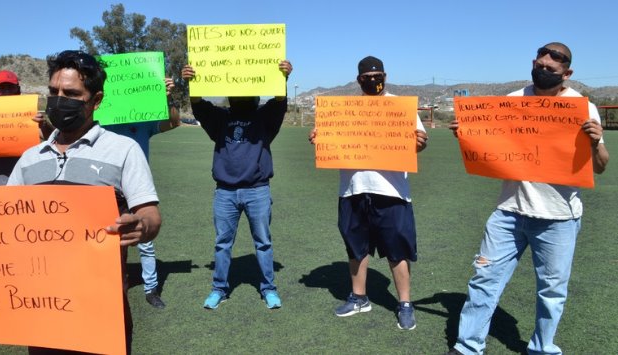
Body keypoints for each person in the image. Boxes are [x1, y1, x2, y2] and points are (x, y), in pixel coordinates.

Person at [0, 50, 162, 354]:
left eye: (71, 93)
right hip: (41, 311)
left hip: (100, 309)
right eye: (53, 92)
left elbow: (150, 214)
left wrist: (142, 225)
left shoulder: (122, 149)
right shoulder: (30, 157)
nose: (59, 99)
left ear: (96, 99)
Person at [446, 43, 609, 355]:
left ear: (568, 73)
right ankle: (468, 346)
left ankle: (542, 348)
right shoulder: (512, 101)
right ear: (533, 63)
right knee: (484, 279)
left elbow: (601, 166)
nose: (543, 71)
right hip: (508, 213)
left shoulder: (582, 107)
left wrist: (595, 143)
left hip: (559, 218)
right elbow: (490, 148)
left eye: (552, 68)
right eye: (539, 65)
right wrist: (467, 135)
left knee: (552, 291)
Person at [309, 56, 428, 330]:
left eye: (378, 75)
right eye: (367, 77)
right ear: (359, 80)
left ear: (386, 75)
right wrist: (321, 139)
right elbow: (329, 141)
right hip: (353, 188)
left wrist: (419, 143)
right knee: (355, 246)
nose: (373, 80)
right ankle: (359, 297)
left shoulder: (400, 106)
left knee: (397, 249)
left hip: (391, 190)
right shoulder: (343, 110)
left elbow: (418, 143)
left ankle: (405, 303)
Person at [181, 59, 292, 310]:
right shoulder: (220, 118)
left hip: (257, 190)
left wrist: (283, 77)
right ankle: (219, 288)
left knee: (263, 242)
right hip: (225, 192)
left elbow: (279, 101)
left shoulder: (264, 117)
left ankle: (269, 289)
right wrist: (192, 81)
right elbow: (198, 104)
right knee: (222, 243)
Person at [103, 78, 181, 309]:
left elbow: (173, 122)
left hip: (136, 188)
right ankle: (107, 288)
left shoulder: (144, 121)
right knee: (107, 239)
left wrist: (167, 98)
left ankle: (151, 289)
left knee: (145, 242)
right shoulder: (100, 121)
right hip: (105, 189)